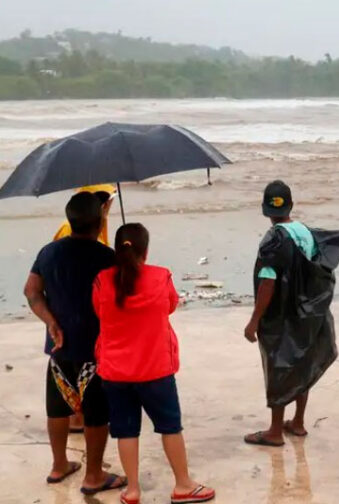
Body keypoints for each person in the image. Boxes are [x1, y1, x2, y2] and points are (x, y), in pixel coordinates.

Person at [93, 223, 215, 504]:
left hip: (115, 371)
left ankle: (133, 490)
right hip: (156, 369)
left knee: (126, 430)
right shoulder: (161, 277)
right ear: (145, 251)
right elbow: (170, 305)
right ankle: (183, 485)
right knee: (170, 427)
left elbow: (98, 310)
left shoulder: (101, 280)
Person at [23, 191, 127, 495]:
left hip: (58, 346)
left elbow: (31, 291)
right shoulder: (107, 257)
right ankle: (94, 475)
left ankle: (59, 465)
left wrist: (50, 321)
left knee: (57, 409)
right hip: (95, 349)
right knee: (96, 413)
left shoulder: (48, 252)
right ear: (99, 222)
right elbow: (123, 299)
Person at [243, 180, 339, 447]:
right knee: (303, 364)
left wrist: (254, 321)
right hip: (310, 313)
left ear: (265, 209)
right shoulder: (307, 232)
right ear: (291, 204)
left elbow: (268, 281)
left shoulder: (273, 238)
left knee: (280, 367)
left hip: (282, 316)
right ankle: (298, 422)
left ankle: (275, 431)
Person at [52, 184, 117, 433]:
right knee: (85, 378)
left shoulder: (99, 225)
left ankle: (77, 417)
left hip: (70, 312)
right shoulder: (73, 231)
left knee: (70, 376)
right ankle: (80, 418)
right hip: (79, 314)